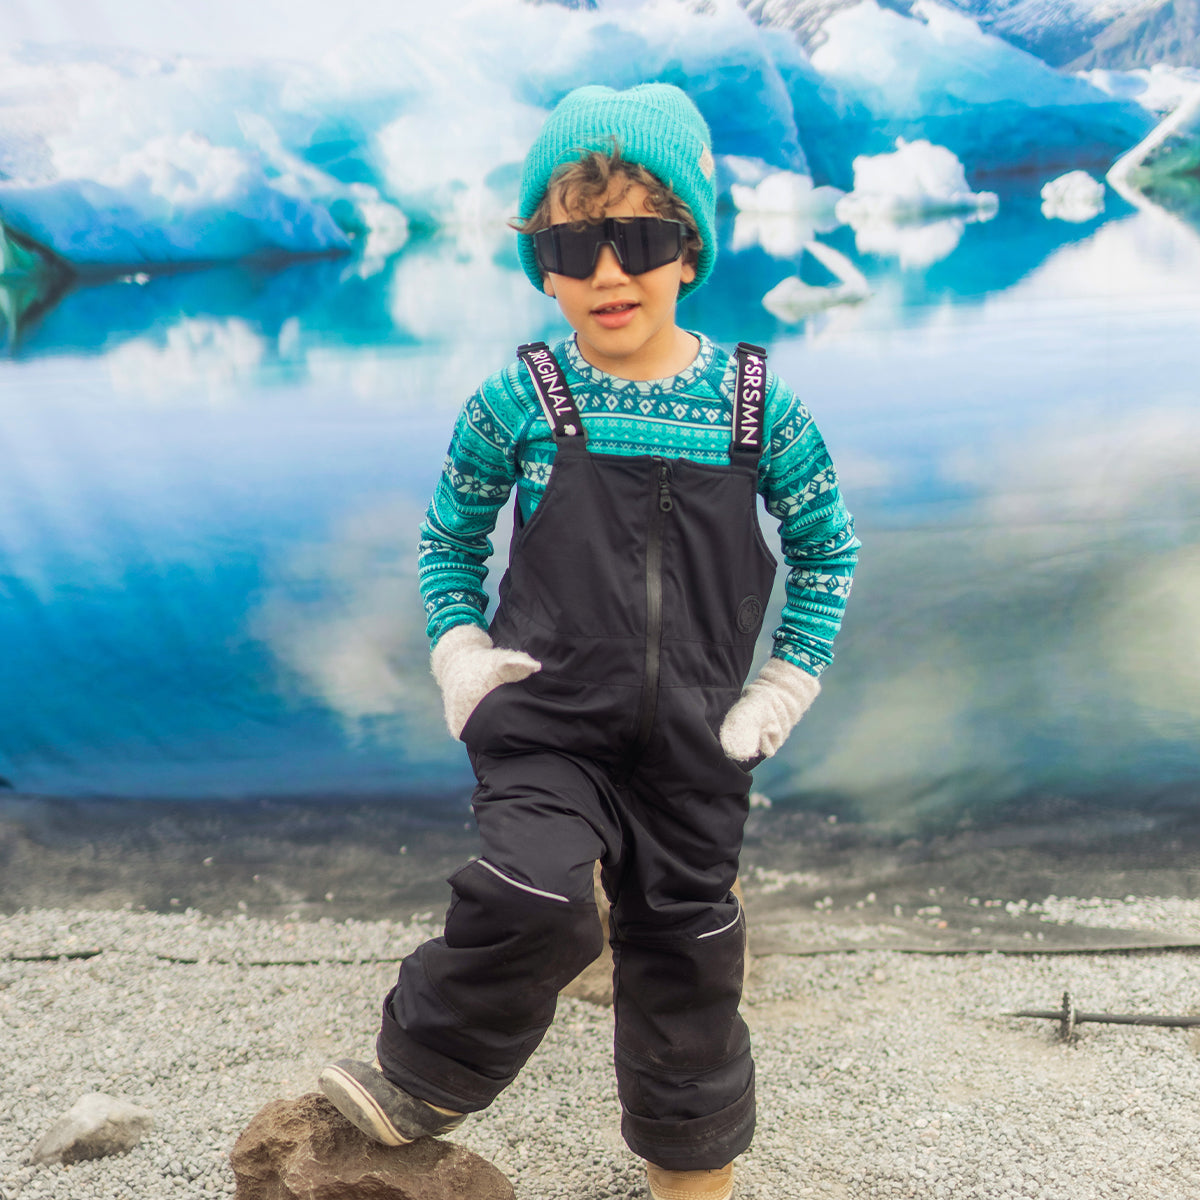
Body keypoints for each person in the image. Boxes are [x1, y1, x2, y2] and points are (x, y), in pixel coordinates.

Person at [319, 82, 859, 1200]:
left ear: (689, 250)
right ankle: (427, 1072)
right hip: (545, 724)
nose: (608, 272)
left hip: (702, 743)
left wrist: (785, 685)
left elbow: (829, 554)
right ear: (543, 262)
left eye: (641, 236)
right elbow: (446, 541)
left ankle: (690, 1178)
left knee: (688, 957)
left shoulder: (760, 407)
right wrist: (461, 652)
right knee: (536, 896)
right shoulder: (520, 398)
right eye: (574, 243)